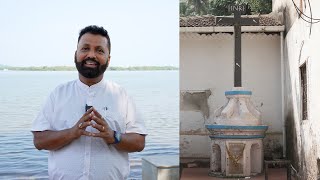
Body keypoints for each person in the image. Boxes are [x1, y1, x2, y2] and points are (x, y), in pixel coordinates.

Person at [31, 25, 147, 180]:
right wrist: (71, 133)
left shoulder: (121, 95)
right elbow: (39, 141)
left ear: (108, 58)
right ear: (76, 54)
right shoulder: (58, 94)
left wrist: (113, 136)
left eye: (99, 50)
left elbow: (139, 143)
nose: (91, 55)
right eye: (85, 48)